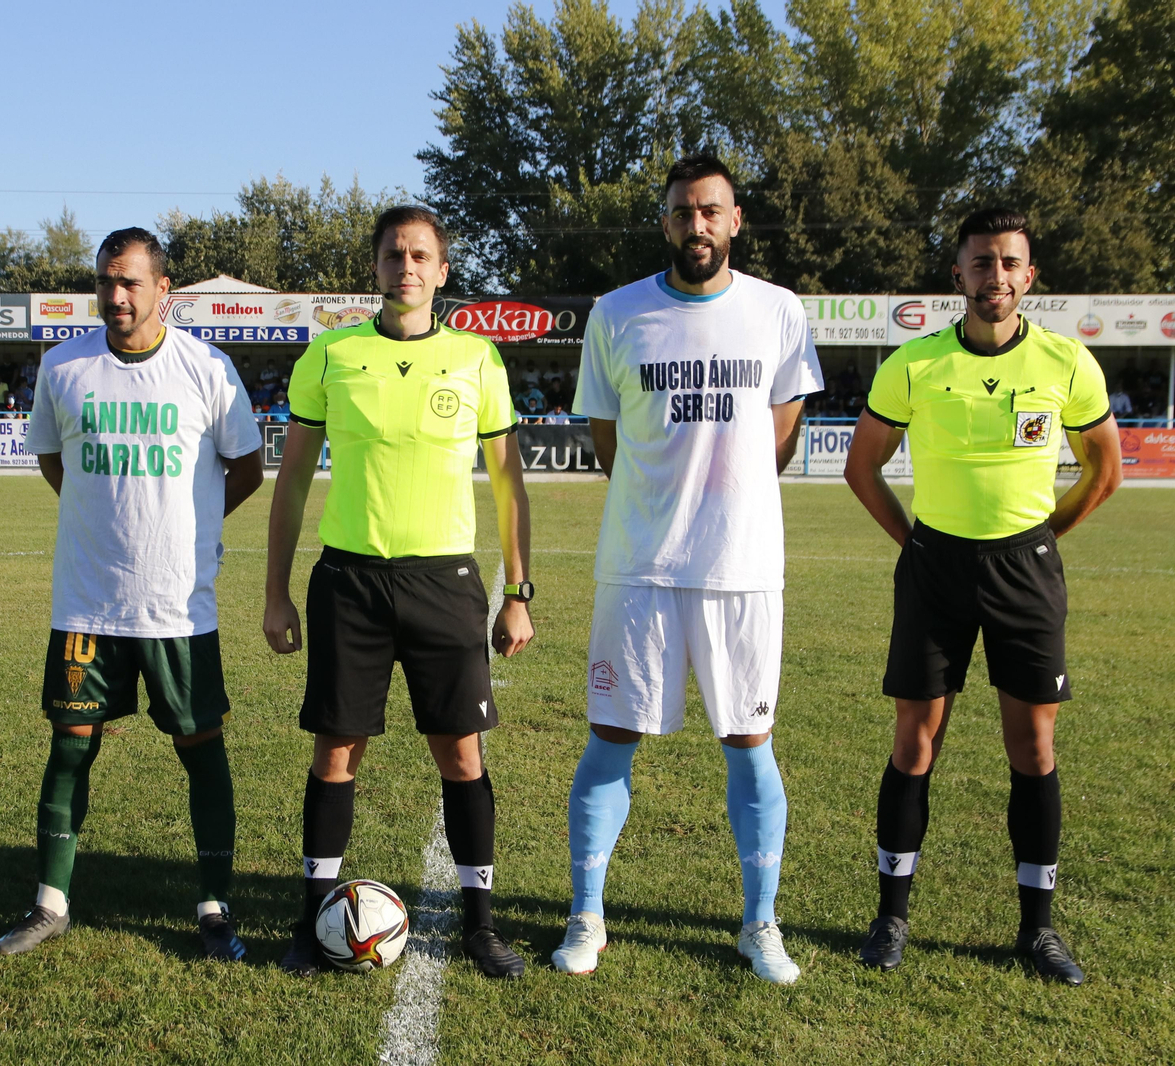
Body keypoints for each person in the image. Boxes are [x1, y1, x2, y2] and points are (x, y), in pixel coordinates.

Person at [554, 153, 822, 984]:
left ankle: (759, 923)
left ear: (735, 220)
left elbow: (781, 433)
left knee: (749, 744)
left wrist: (726, 503)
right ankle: (586, 916)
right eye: (681, 212)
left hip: (741, 568)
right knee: (610, 740)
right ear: (665, 222)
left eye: (711, 211)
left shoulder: (778, 312)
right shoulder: (616, 312)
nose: (696, 225)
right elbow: (609, 442)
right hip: (638, 563)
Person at [844, 208, 1121, 984]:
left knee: (1032, 749)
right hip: (935, 567)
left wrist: (1042, 539)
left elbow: (1106, 471)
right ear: (957, 275)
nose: (994, 277)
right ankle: (890, 917)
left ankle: (1037, 931)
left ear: (1028, 277)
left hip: (1025, 570)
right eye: (981, 263)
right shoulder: (915, 365)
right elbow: (862, 467)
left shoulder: (1069, 363)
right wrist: (915, 544)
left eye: (1009, 264)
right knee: (913, 744)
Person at [264, 205, 534, 979]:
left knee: (460, 754)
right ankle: (309, 922)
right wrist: (276, 592)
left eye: (420, 255)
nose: (406, 267)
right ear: (375, 267)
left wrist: (518, 590)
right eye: (393, 255)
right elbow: (289, 483)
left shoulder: (479, 360)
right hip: (348, 579)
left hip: (444, 581)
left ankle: (481, 926)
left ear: (442, 271)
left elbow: (510, 484)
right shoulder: (330, 356)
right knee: (336, 752)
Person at [0, 228, 264, 960]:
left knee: (200, 748)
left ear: (163, 289)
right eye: (107, 281)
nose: (116, 296)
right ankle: (50, 903)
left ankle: (214, 906)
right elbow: (54, 462)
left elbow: (246, 468)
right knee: (70, 747)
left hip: (178, 605)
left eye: (132, 283)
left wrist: (191, 530)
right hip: (86, 601)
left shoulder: (206, 367)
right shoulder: (63, 366)